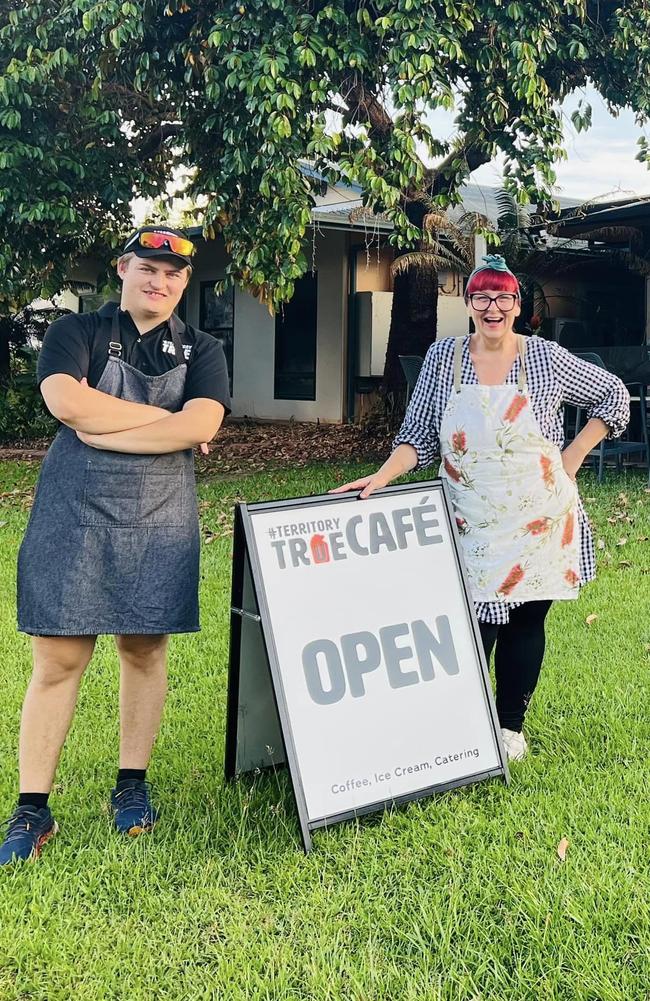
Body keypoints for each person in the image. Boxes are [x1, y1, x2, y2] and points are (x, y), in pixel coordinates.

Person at [333, 255, 629, 761]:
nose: (493, 307)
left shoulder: (545, 357)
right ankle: (463, 721)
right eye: (482, 297)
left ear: (517, 306)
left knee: (526, 621)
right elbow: (418, 435)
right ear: (468, 304)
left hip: (539, 516)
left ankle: (510, 727)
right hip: (469, 518)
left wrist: (572, 458)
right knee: (472, 621)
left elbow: (613, 396)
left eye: (503, 297)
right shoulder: (443, 358)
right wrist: (383, 474)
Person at [1, 225, 231, 865]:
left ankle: (132, 785)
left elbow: (205, 420)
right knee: (59, 657)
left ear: (185, 282)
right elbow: (65, 403)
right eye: (148, 269)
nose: (160, 282)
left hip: (158, 515)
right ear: (124, 269)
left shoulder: (204, 348)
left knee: (143, 646)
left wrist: (109, 426)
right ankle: (31, 806)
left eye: (174, 274)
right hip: (73, 511)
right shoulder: (76, 333)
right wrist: (170, 425)